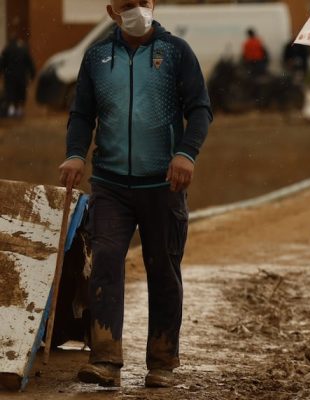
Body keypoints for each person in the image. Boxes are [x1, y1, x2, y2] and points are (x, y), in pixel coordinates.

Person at [58, 0, 212, 389]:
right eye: (128, 5)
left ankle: (162, 360)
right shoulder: (96, 57)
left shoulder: (176, 53)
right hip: (110, 184)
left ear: (153, 4)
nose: (137, 11)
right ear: (112, 11)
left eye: (143, 2)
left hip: (164, 185)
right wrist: (75, 155)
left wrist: (186, 153)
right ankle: (106, 359)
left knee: (162, 267)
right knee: (106, 259)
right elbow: (81, 113)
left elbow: (201, 109)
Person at [0, 34, 35, 118]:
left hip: (10, 76)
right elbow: (30, 63)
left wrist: (1, 72)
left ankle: (11, 110)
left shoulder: (7, 49)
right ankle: (19, 109)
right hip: (21, 76)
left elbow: (2, 63)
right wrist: (32, 74)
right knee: (20, 93)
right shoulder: (23, 49)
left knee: (10, 93)